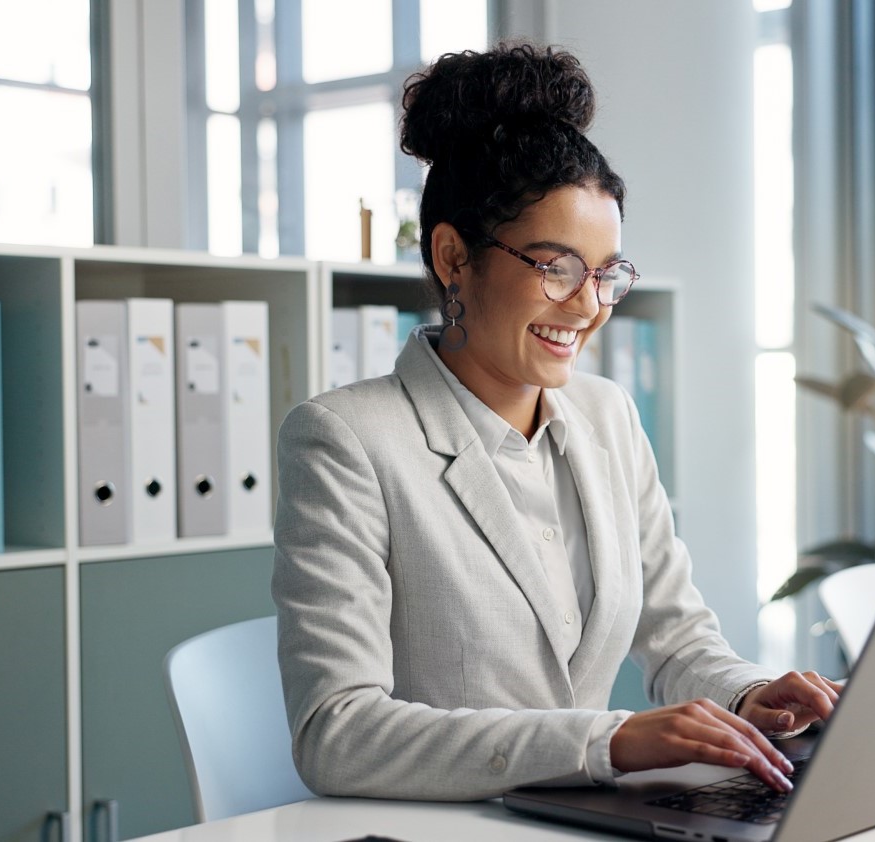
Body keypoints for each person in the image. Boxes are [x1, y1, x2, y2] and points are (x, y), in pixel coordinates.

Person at [272, 42, 841, 803]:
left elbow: (677, 636)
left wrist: (751, 694)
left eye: (607, 273)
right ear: (450, 257)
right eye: (555, 267)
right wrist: (604, 739)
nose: (588, 305)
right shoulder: (347, 440)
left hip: (578, 820)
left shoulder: (606, 416)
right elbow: (336, 734)